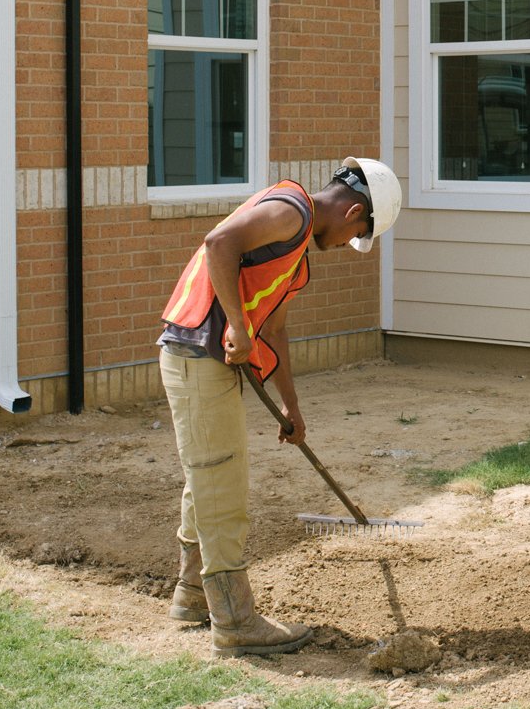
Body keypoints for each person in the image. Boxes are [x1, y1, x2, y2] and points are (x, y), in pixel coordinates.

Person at [156, 157, 402, 656]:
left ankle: (193, 594)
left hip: (208, 360)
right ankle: (235, 621)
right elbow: (217, 244)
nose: (344, 247)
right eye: (355, 235)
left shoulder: (295, 258)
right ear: (354, 211)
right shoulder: (291, 209)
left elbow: (276, 329)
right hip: (197, 351)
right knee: (220, 480)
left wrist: (293, 410)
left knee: (208, 474)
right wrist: (239, 330)